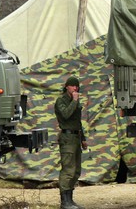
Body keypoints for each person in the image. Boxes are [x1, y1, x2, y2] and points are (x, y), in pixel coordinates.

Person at [55, 76, 88, 209]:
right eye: (73, 86)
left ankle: (70, 200)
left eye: (77, 86)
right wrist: (74, 101)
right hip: (67, 138)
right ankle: (64, 202)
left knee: (76, 171)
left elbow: (77, 122)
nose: (75, 88)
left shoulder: (75, 100)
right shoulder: (61, 100)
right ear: (67, 86)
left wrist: (83, 138)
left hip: (76, 137)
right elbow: (66, 115)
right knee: (68, 170)